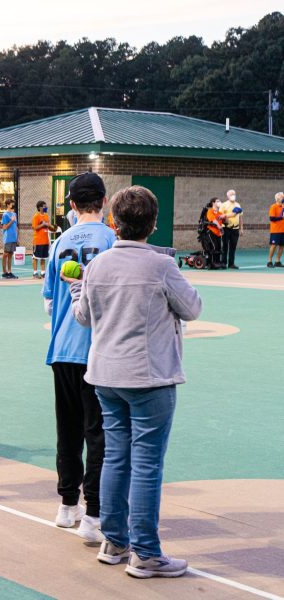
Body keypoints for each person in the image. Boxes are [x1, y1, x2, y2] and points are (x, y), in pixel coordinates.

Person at [66, 185, 201, 579]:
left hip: (106, 375)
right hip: (149, 377)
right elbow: (191, 308)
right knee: (146, 464)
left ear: (114, 222)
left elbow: (83, 318)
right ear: (153, 223)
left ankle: (114, 542)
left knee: (116, 457)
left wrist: (77, 288)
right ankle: (145, 552)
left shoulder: (99, 265)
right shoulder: (161, 265)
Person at [42, 172, 117, 543]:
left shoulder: (60, 242)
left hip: (62, 349)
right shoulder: (112, 240)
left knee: (67, 430)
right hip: (98, 350)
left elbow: (49, 301)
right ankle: (94, 514)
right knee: (98, 433)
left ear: (71, 205)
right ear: (104, 202)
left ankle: (66, 504)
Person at [31, 200, 55, 279]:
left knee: (43, 257)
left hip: (45, 240)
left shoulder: (46, 216)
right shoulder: (36, 216)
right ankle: (35, 273)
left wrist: (52, 227)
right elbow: (35, 228)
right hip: (38, 241)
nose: (46, 207)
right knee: (35, 257)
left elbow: (48, 226)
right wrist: (43, 224)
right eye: (44, 206)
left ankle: (43, 272)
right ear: (40, 208)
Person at [220, 189, 242, 269]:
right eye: (231, 194)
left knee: (233, 246)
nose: (233, 195)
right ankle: (223, 263)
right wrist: (232, 214)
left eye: (234, 194)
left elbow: (240, 217)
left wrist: (241, 228)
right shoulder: (224, 205)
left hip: (235, 229)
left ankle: (231, 263)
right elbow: (220, 216)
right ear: (227, 196)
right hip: (226, 228)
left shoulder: (238, 205)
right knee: (225, 246)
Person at [0, 199, 19, 279]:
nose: (13, 205)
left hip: (13, 238)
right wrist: (11, 221)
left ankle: (9, 271)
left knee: (11, 254)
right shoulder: (5, 215)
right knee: (5, 254)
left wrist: (17, 237)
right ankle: (4, 272)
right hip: (7, 238)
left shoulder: (14, 214)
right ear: (8, 205)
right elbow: (4, 227)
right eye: (11, 204)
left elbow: (16, 227)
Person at [204, 198, 224, 269]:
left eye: (219, 201)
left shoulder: (220, 213)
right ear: (213, 203)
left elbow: (227, 222)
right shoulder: (210, 211)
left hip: (218, 233)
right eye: (217, 201)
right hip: (211, 232)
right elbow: (214, 221)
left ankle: (218, 262)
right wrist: (220, 227)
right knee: (214, 247)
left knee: (219, 248)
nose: (219, 202)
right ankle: (212, 263)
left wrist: (225, 216)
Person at [268, 192, 284, 268]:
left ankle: (277, 261)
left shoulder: (283, 207)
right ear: (278, 198)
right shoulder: (273, 206)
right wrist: (281, 217)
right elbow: (272, 218)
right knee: (273, 245)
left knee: (282, 246)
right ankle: (269, 261)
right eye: (282, 197)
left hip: (283, 230)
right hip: (275, 230)